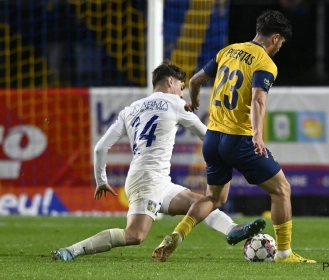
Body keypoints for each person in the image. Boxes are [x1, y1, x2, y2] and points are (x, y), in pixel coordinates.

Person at [51, 61, 266, 261]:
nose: (182, 94)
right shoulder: (175, 103)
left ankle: (232, 229)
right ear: (170, 82)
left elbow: (100, 148)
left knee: (199, 202)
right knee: (135, 235)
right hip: (148, 181)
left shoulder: (130, 110)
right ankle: (72, 250)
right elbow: (209, 136)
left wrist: (101, 180)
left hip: (152, 178)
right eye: (181, 87)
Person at [152, 10, 315, 263]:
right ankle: (284, 254)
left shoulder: (227, 51)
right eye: (281, 43)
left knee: (214, 198)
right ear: (274, 38)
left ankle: (176, 235)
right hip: (239, 140)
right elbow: (259, 98)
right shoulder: (265, 62)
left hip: (213, 139)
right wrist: (258, 135)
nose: (280, 48)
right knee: (282, 190)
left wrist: (193, 102)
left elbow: (195, 80)